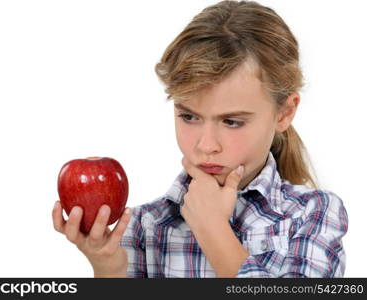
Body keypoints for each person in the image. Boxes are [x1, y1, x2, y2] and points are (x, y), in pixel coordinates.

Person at [52, 0, 348, 278]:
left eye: (232, 121)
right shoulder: (146, 226)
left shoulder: (314, 215)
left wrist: (213, 229)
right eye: (189, 117)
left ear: (284, 112)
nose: (206, 146)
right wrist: (109, 271)